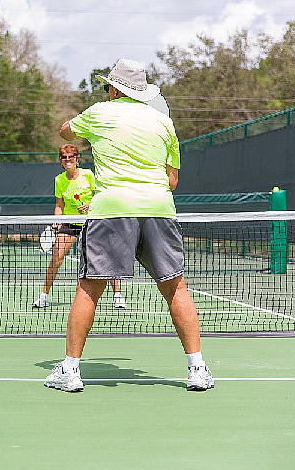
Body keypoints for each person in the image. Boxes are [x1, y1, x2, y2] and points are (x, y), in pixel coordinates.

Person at [45, 58, 214, 392]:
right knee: (176, 288)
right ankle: (197, 368)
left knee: (89, 286)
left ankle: (70, 371)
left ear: (114, 88)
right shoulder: (164, 123)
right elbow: (172, 179)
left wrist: (87, 128)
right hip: (159, 208)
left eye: (108, 85)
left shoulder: (99, 112)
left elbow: (64, 131)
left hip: (112, 209)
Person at [33, 143, 126, 310]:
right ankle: (43, 296)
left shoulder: (88, 175)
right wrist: (57, 219)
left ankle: (118, 295)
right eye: (64, 157)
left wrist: (90, 205)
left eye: (71, 157)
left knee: (104, 257)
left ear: (77, 159)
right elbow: (59, 205)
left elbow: (100, 196)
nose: (68, 160)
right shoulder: (59, 180)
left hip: (91, 222)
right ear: (61, 161)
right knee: (56, 257)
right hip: (70, 224)